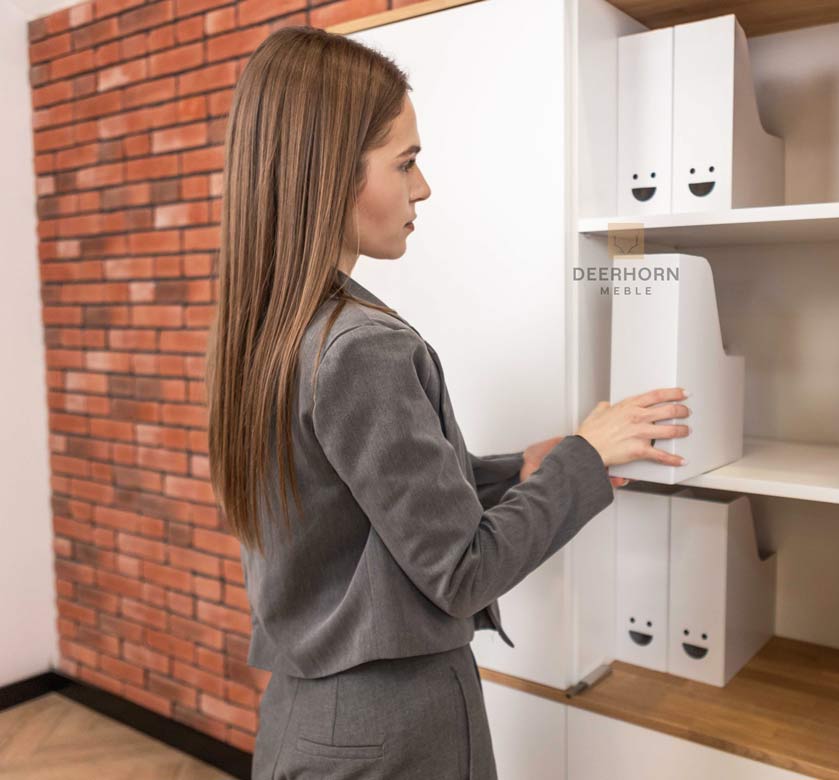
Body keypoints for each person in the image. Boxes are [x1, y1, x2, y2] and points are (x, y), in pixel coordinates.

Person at [204, 26, 691, 780]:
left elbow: (352, 506)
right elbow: (462, 569)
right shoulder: (361, 347)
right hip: (392, 732)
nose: (421, 187)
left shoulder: (265, 330)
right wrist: (584, 462)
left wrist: (514, 470)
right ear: (331, 171)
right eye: (406, 162)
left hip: (304, 719)